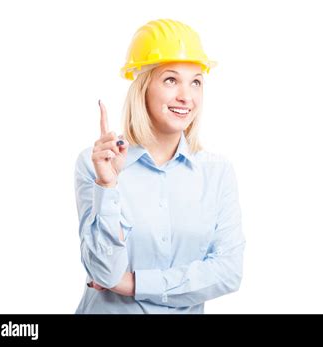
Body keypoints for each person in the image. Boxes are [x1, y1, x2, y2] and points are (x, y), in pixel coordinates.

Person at [73, 19, 245, 313]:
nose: (186, 96)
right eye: (170, 80)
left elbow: (228, 271)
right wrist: (108, 186)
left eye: (196, 82)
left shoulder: (217, 172)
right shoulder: (98, 164)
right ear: (143, 87)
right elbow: (105, 271)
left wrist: (134, 284)